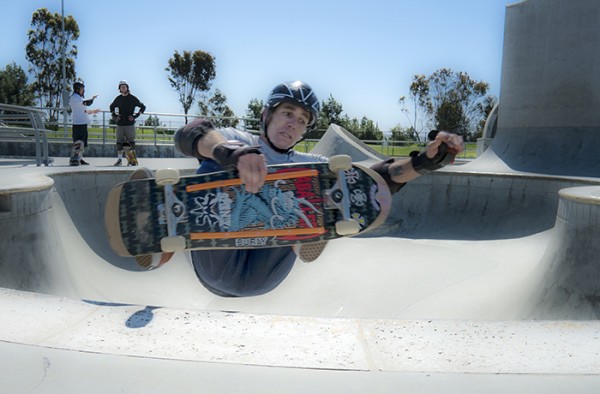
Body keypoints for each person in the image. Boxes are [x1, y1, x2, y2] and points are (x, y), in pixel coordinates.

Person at [174, 80, 463, 297]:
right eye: (288, 114)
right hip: (216, 262)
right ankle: (164, 227)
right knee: (216, 161)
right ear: (266, 115)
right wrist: (232, 153)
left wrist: (426, 162)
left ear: (304, 131)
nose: (292, 125)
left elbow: (377, 179)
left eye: (301, 121)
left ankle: (307, 226)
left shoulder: (311, 164)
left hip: (263, 274)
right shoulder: (236, 138)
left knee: (316, 184)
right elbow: (191, 133)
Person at [109, 80, 146, 166]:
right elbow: (111, 107)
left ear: (127, 88)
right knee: (119, 142)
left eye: (124, 86)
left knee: (131, 142)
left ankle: (132, 160)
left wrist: (135, 116)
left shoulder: (132, 98)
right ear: (119, 89)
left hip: (130, 124)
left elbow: (143, 107)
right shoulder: (118, 99)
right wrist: (115, 115)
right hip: (120, 124)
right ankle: (119, 160)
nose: (123, 88)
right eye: (121, 87)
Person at [68, 81, 100, 166]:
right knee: (78, 142)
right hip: (79, 123)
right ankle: (75, 159)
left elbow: (84, 111)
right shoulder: (75, 98)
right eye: (82, 89)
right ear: (77, 89)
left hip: (82, 123)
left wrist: (94, 111)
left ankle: (79, 158)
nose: (83, 90)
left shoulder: (78, 99)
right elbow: (88, 103)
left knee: (81, 142)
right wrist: (93, 98)